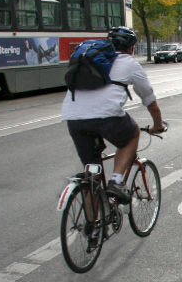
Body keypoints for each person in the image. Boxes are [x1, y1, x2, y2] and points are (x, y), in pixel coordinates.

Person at [62, 26, 165, 205]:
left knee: (91, 175)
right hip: (106, 116)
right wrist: (157, 125)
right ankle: (116, 182)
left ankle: (92, 228)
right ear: (131, 47)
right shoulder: (130, 63)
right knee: (132, 134)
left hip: (73, 118)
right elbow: (150, 101)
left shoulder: (93, 60)